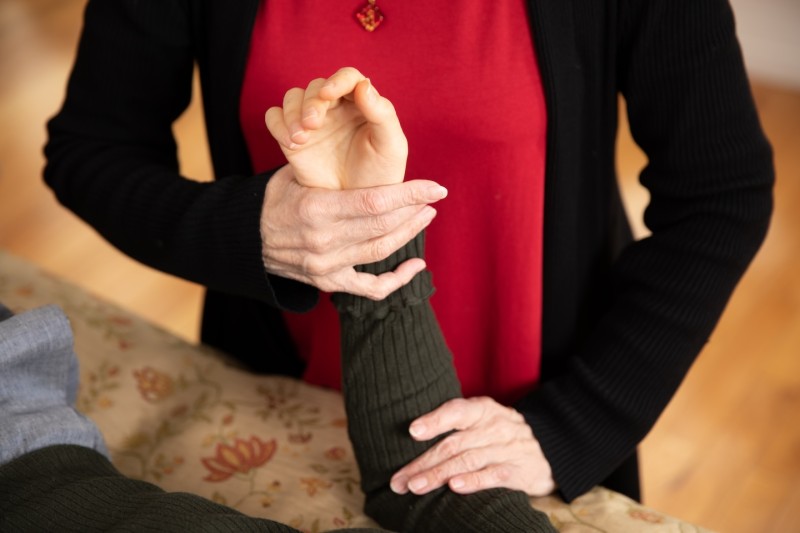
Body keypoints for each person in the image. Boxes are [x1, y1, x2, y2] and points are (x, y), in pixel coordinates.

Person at [43, 0, 775, 504]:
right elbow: (91, 149)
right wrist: (247, 230)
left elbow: (721, 194)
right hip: (287, 415)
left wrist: (576, 423)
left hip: (523, 425)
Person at [1, 81, 555, 530]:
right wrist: (256, 229)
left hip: (538, 348)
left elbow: (423, 490)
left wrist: (567, 432)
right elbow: (91, 147)